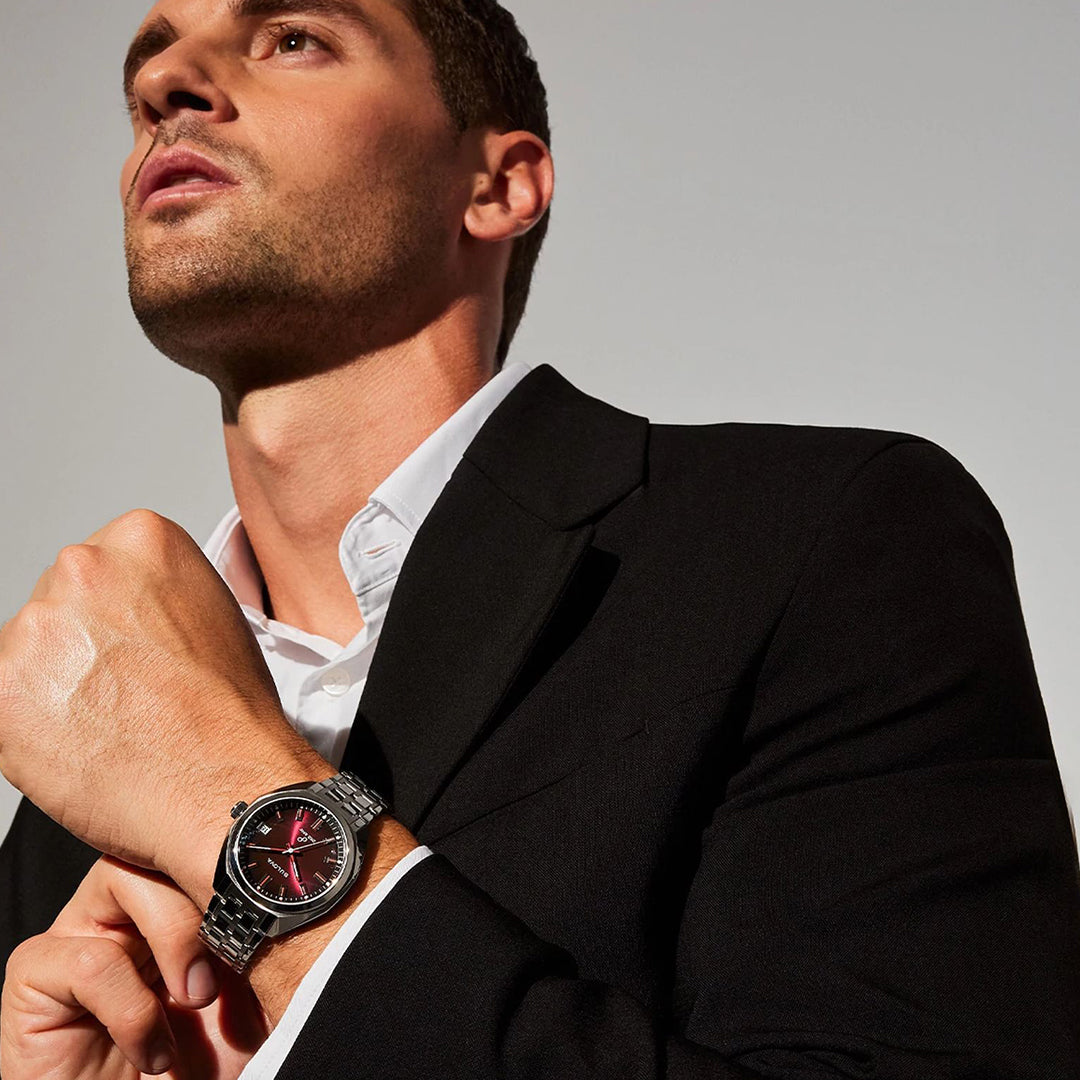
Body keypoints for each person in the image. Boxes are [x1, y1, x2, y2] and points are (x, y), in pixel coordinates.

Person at [0, 0, 1078, 1076]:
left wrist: (229, 807)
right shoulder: (78, 770)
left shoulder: (822, 539)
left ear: (499, 184)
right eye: (148, 65)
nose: (166, 87)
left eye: (294, 38)